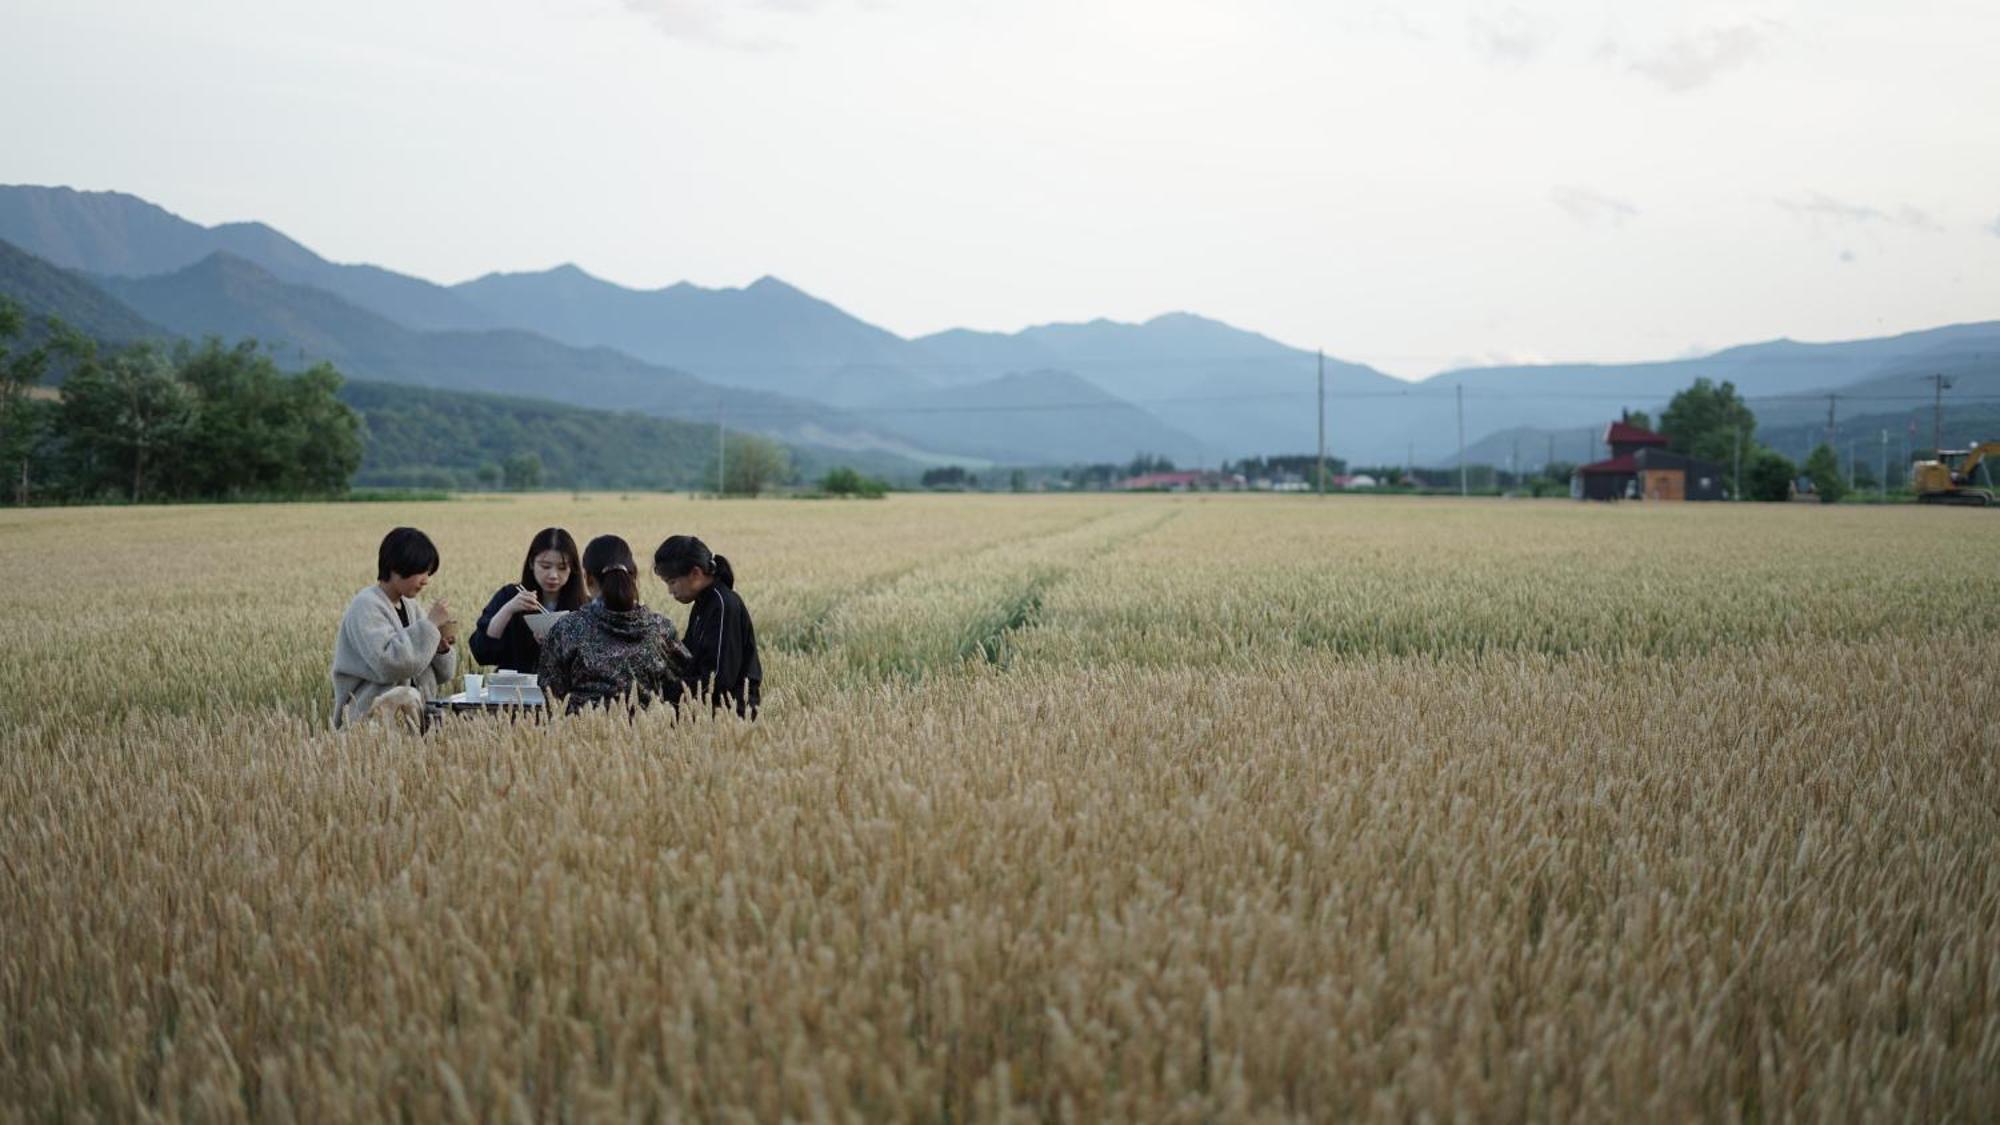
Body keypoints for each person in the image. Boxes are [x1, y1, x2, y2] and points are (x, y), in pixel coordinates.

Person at [537, 535, 686, 714]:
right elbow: (683, 685)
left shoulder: (567, 629)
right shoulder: (661, 629)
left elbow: (550, 694)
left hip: (579, 737)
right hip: (650, 737)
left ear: (588, 579)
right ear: (634, 573)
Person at [331, 527, 458, 728]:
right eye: (421, 571)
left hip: (414, 720)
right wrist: (430, 625)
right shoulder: (366, 606)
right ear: (396, 567)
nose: (426, 580)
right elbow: (390, 664)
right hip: (371, 722)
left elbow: (444, 674)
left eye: (428, 572)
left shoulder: (411, 606)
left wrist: (441, 648)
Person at [653, 534, 761, 718]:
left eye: (672, 582)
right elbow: (688, 658)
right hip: (705, 709)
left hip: (729, 715)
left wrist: (667, 693)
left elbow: (718, 679)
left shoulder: (722, 605)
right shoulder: (704, 603)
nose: (670, 591)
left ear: (695, 573)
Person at [470, 527, 585, 672]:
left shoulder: (584, 606)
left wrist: (556, 646)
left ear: (572, 569)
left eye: (562, 568)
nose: (553, 575)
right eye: (545, 566)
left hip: (564, 692)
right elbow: (482, 652)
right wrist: (508, 609)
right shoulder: (509, 595)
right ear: (531, 563)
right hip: (513, 689)